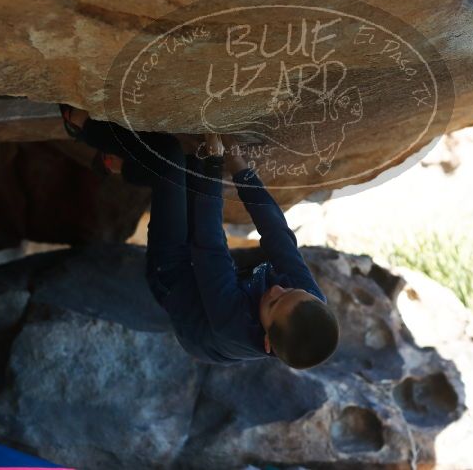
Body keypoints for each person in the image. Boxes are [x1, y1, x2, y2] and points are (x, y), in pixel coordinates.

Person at [61, 106, 339, 369]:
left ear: (267, 342)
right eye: (292, 290)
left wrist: (218, 164)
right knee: (194, 164)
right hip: (221, 281)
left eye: (274, 302)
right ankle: (123, 165)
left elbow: (210, 246)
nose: (279, 288)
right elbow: (277, 233)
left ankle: (80, 123)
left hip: (175, 278)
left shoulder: (233, 325)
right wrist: (241, 167)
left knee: (170, 156)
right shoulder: (306, 301)